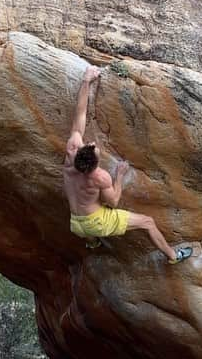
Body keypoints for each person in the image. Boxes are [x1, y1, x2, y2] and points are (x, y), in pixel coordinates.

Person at [63, 66, 192, 264]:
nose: (93, 143)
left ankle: (92, 243)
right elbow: (113, 202)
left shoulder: (71, 152)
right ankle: (174, 257)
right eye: (94, 147)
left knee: (86, 228)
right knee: (148, 223)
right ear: (95, 165)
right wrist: (120, 176)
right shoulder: (99, 177)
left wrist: (86, 81)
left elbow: (80, 116)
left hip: (76, 223)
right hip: (96, 222)